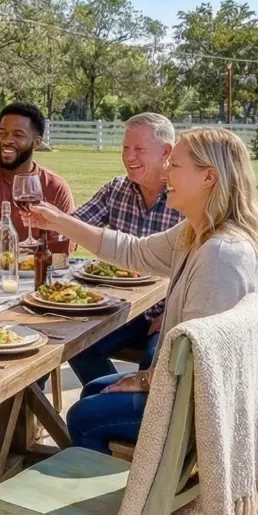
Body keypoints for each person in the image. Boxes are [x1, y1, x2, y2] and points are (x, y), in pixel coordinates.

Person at [25, 127, 258, 454]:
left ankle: (136, 488)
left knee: (84, 415)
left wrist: (147, 379)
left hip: (210, 410)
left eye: (175, 166)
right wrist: (58, 221)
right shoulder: (197, 232)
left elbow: (198, 362)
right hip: (192, 387)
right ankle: (115, 473)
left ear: (209, 177)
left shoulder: (221, 257)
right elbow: (134, 251)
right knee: (94, 391)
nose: (165, 174)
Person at [67, 113, 183, 385]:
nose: (129, 157)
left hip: (168, 311)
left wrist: (173, 312)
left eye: (139, 149)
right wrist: (49, 222)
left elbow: (204, 272)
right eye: (125, 148)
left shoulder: (184, 196)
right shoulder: (116, 189)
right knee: (75, 344)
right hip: (121, 309)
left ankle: (125, 404)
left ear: (166, 152)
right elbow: (74, 226)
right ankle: (109, 396)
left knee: (156, 363)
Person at [0, 102, 76, 253]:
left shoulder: (55, 188)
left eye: (18, 135)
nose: (7, 140)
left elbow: (62, 253)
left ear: (37, 142)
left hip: (34, 267)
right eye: (2, 133)